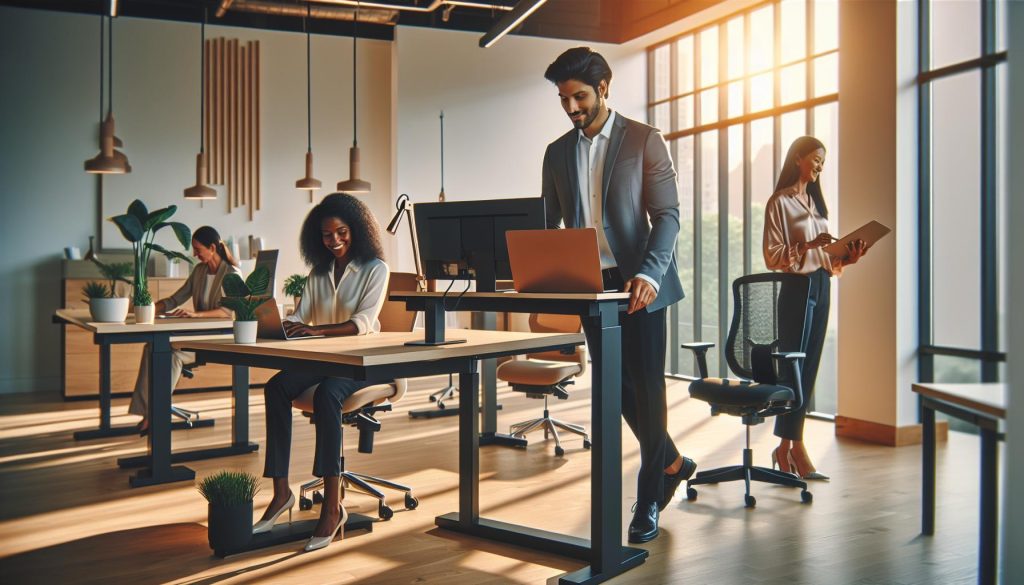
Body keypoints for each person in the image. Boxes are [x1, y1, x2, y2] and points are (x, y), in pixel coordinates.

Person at [541, 47, 693, 544]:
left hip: (640, 285)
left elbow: (667, 215)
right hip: (591, 287)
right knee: (616, 390)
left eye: (579, 96)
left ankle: (650, 495)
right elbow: (549, 226)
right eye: (564, 99)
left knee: (647, 391)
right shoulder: (557, 152)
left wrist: (650, 272)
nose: (571, 108)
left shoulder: (644, 141)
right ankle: (671, 462)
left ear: (604, 87)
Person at [254, 192, 389, 553]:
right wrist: (288, 324)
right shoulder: (318, 271)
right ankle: (281, 493)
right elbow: (302, 316)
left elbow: (362, 323)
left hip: (364, 362)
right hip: (325, 358)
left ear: (356, 229)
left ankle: (332, 506)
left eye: (341, 232)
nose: (335, 241)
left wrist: (316, 331)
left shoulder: (376, 268)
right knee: (276, 388)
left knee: (329, 394)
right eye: (327, 236)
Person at [763, 136, 868, 480]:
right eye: (816, 160)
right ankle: (793, 448)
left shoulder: (815, 204)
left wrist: (846, 258)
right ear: (798, 159)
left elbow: (824, 258)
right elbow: (772, 255)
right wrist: (807, 244)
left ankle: (787, 446)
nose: (821, 167)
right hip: (796, 288)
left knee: (809, 370)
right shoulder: (780, 202)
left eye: (824, 162)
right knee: (794, 368)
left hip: (821, 284)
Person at [129, 225, 238, 435]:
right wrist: (147, 307)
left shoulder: (232, 274)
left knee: (173, 356)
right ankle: (149, 410)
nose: (195, 254)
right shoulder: (199, 271)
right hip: (197, 335)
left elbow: (228, 312)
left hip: (220, 339)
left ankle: (155, 413)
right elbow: (175, 299)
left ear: (212, 247)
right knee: (151, 347)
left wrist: (196, 315)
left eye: (198, 249)